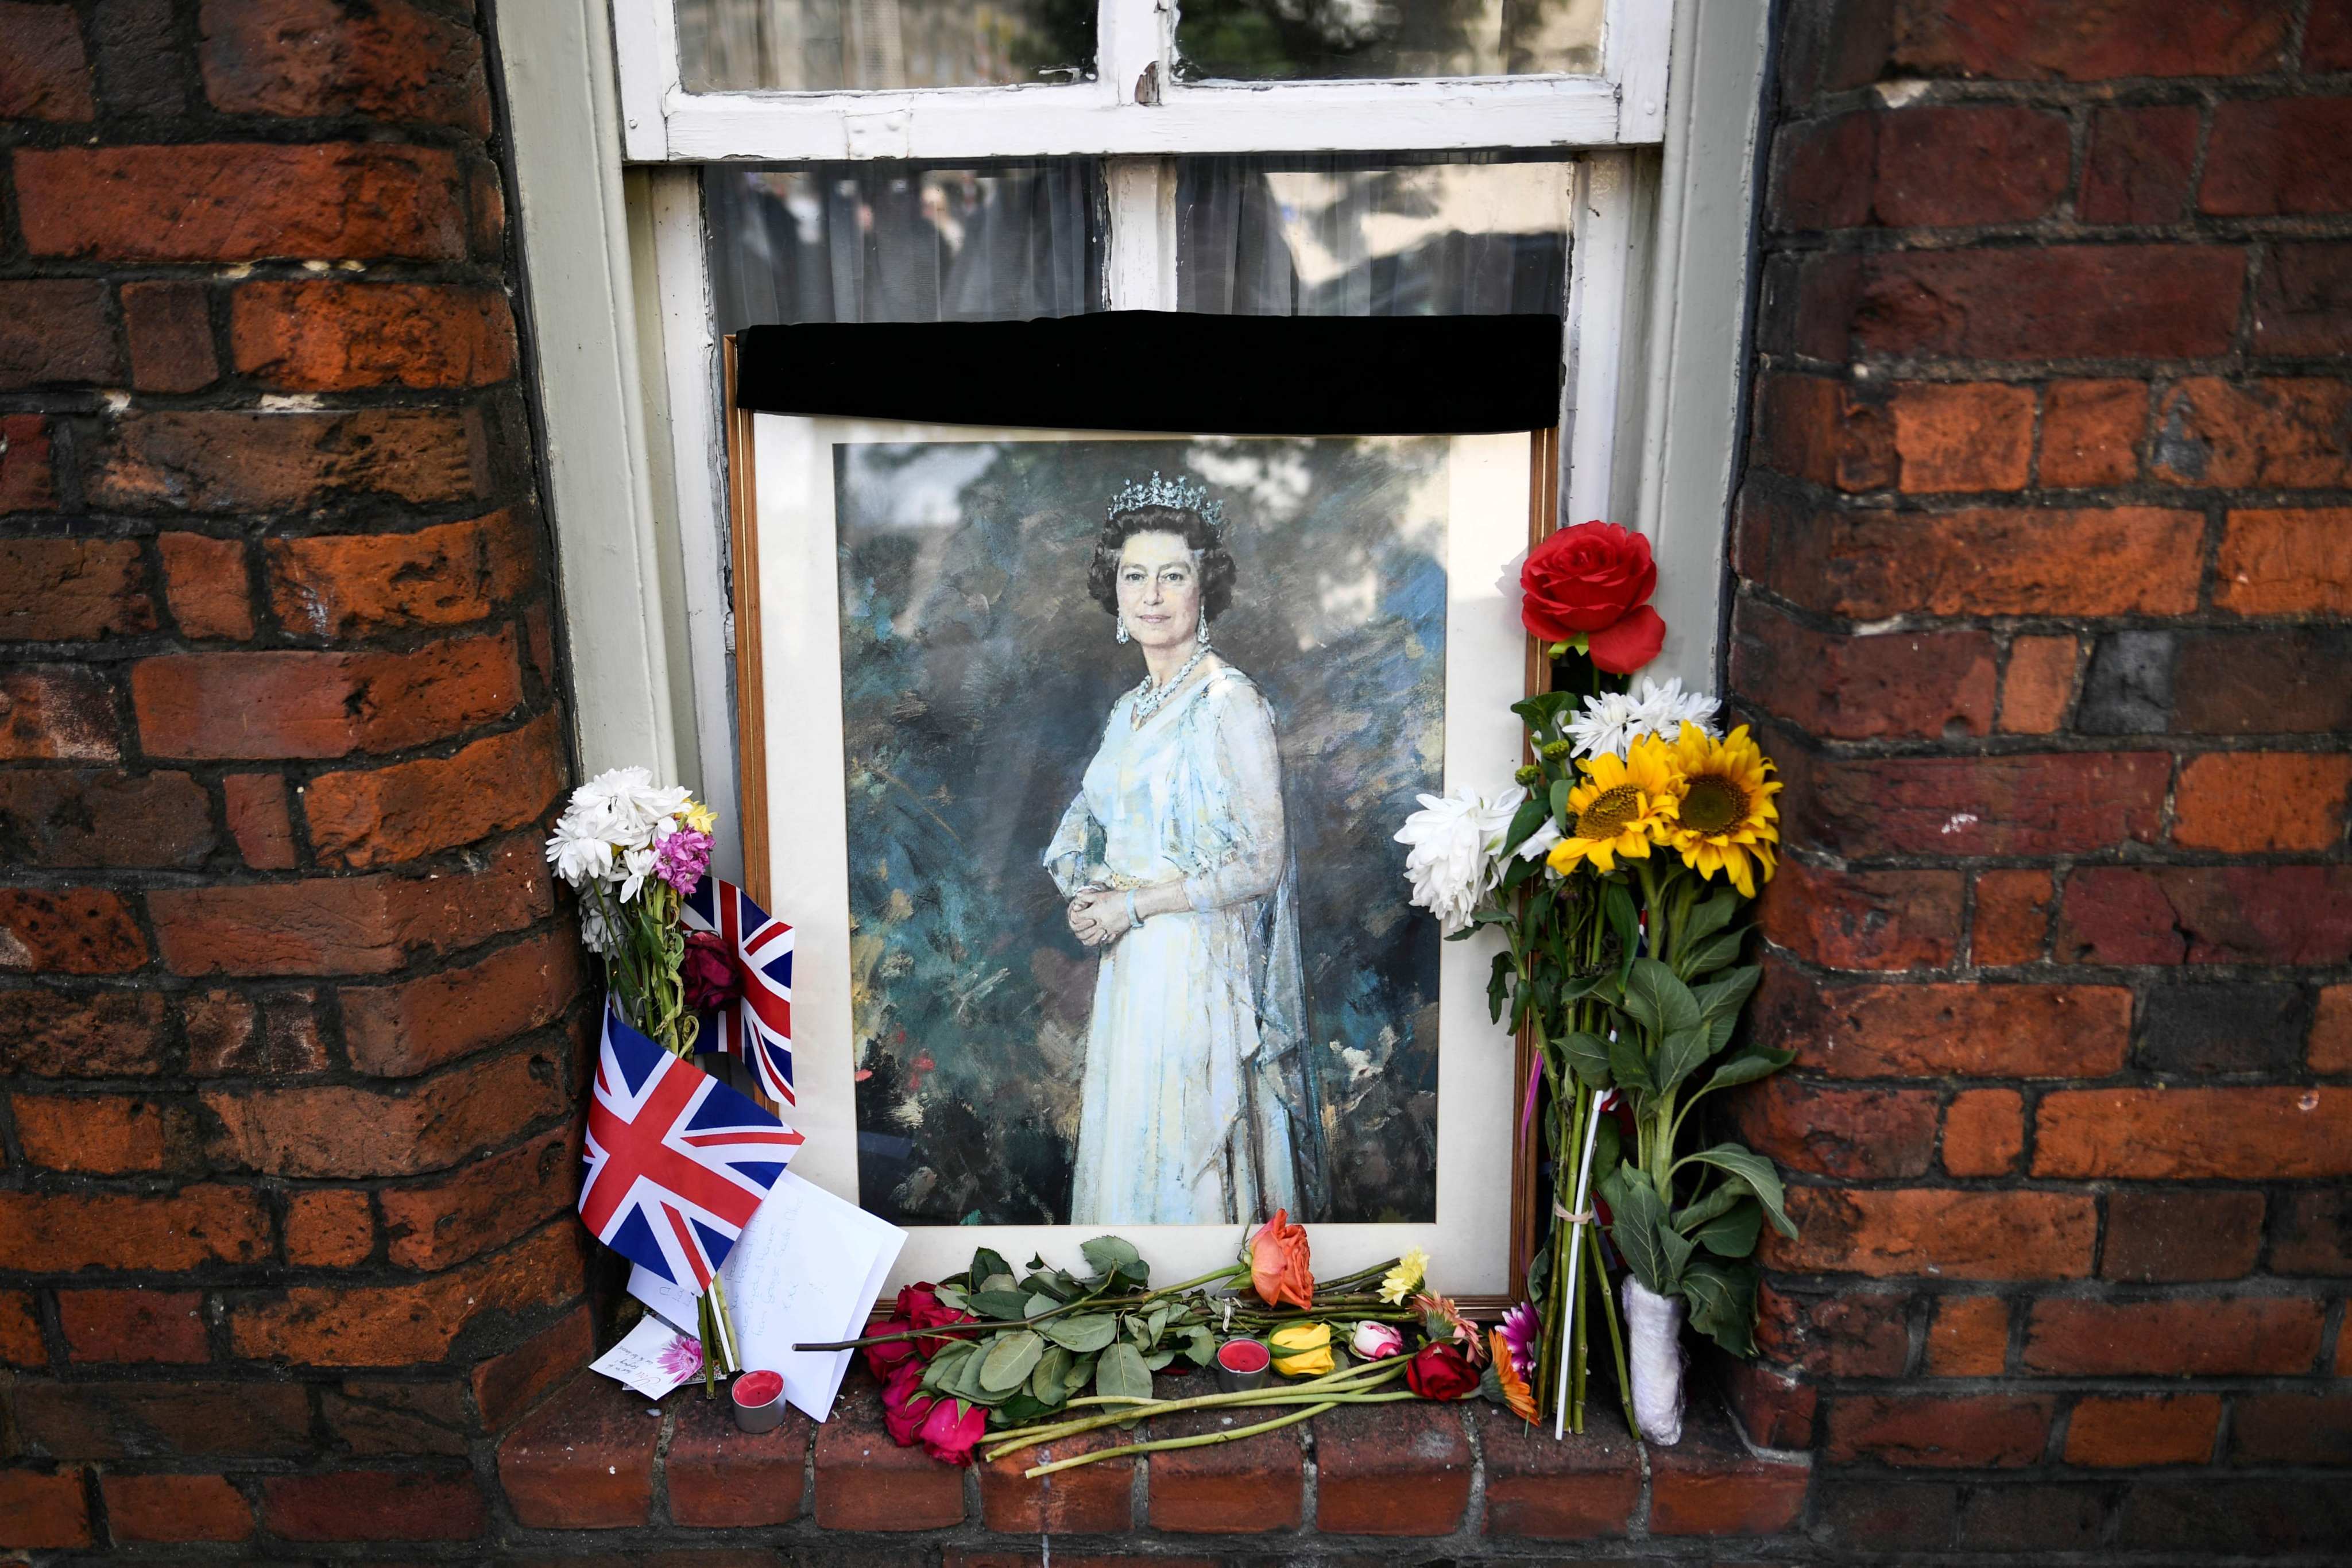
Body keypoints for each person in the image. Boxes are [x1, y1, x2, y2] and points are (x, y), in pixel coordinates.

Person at [1043, 474, 1324, 1225]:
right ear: (1116, 590)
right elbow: (1091, 831)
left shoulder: (1232, 703)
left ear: (1206, 586)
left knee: (1190, 1167)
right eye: (1135, 576)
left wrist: (1131, 905)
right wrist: (1090, 895)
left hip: (1199, 965)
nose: (1153, 596)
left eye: (1174, 575)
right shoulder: (1128, 710)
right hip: (1133, 968)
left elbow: (1261, 866)